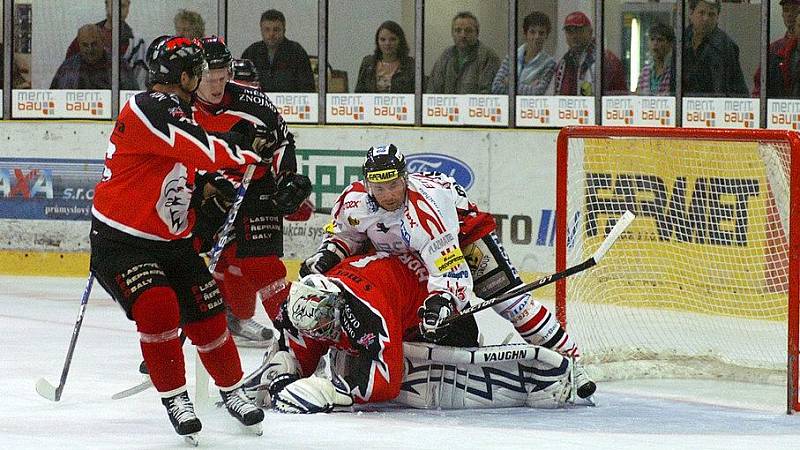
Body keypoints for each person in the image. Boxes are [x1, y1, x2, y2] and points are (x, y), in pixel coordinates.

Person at [299, 144, 596, 400]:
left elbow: (449, 267)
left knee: (511, 302)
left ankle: (572, 361)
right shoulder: (354, 201)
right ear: (367, 185)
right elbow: (347, 236)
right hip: (409, 252)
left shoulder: (426, 209)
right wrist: (326, 256)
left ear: (405, 178)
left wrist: (442, 301)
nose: (387, 195)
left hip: (462, 237)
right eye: (379, 188)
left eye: (393, 185)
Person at [89, 35, 265, 443]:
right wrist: (246, 150)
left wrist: (207, 187)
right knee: (158, 306)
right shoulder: (148, 107)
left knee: (208, 314)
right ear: (184, 76)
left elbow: (185, 164)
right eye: (198, 73)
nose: (204, 79)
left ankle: (233, 389)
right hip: (121, 242)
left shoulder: (180, 111)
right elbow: (199, 148)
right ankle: (175, 397)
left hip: (172, 241)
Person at [247, 257, 575, 413]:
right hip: (396, 308)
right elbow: (306, 343)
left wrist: (334, 392)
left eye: (323, 326)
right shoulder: (314, 301)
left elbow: (386, 383)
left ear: (337, 307)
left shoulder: (367, 310)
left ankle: (507, 362)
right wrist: (285, 371)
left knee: (424, 379)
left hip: (439, 321)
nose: (320, 334)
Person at [191, 36, 312, 347]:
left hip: (254, 184)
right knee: (183, 255)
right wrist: (203, 188)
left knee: (262, 264)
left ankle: (295, 339)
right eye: (209, 79)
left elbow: (283, 140)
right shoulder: (179, 106)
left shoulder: (253, 102)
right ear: (192, 75)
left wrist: (286, 178)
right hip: (204, 187)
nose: (217, 86)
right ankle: (177, 333)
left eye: (222, 77)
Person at [64, 0, 142, 89]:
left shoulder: (136, 43)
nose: (118, 10)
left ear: (128, 9)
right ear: (106, 5)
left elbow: (140, 79)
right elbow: (68, 71)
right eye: (115, 5)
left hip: (123, 96)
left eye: (123, 6)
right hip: (84, 96)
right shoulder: (86, 36)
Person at [551, 11, 626, 95]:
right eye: (569, 32)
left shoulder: (606, 60)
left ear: (590, 32)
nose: (574, 36)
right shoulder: (563, 63)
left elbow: (618, 96)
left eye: (579, 30)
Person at [682, 0, 748, 97]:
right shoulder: (682, 41)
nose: (706, 19)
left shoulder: (726, 46)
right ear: (691, 14)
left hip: (715, 106)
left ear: (717, 18)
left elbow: (736, 88)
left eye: (711, 14)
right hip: (685, 106)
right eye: (701, 13)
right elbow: (674, 82)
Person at [426, 11, 501, 94]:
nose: (463, 35)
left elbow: (487, 95)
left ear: (477, 33)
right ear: (452, 33)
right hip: (447, 106)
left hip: (474, 107)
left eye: (468, 30)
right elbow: (432, 90)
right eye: (458, 30)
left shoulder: (488, 57)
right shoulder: (446, 55)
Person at [241, 9, 315, 93]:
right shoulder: (251, 53)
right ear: (261, 31)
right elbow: (240, 85)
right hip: (257, 103)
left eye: (276, 30)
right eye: (267, 29)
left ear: (284, 31)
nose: (271, 34)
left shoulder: (296, 52)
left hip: (289, 104)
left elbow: (307, 87)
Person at [491, 11, 556, 95]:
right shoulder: (512, 56)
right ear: (525, 34)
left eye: (541, 33)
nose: (537, 37)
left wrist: (508, 83)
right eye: (532, 32)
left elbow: (537, 93)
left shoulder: (549, 63)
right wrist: (528, 87)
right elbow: (496, 87)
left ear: (546, 36)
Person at [753, 0, 800, 97]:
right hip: (778, 109)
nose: (790, 14)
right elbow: (760, 84)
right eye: (786, 10)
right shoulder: (774, 49)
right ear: (782, 14)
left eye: (795, 10)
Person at [355, 20, 414, 93]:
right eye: (382, 40)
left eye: (392, 39)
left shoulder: (410, 65)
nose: (387, 43)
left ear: (400, 41)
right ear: (377, 42)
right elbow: (359, 93)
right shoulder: (368, 63)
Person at [50, 24, 112, 89]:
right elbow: (54, 95)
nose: (90, 49)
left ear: (102, 41)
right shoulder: (67, 68)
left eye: (94, 44)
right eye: (85, 45)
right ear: (79, 44)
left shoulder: (118, 66)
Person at [636, 22, 675, 96]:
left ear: (670, 44)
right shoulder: (645, 71)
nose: (655, 43)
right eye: (652, 39)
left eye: (660, 40)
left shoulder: (674, 71)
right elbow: (638, 97)